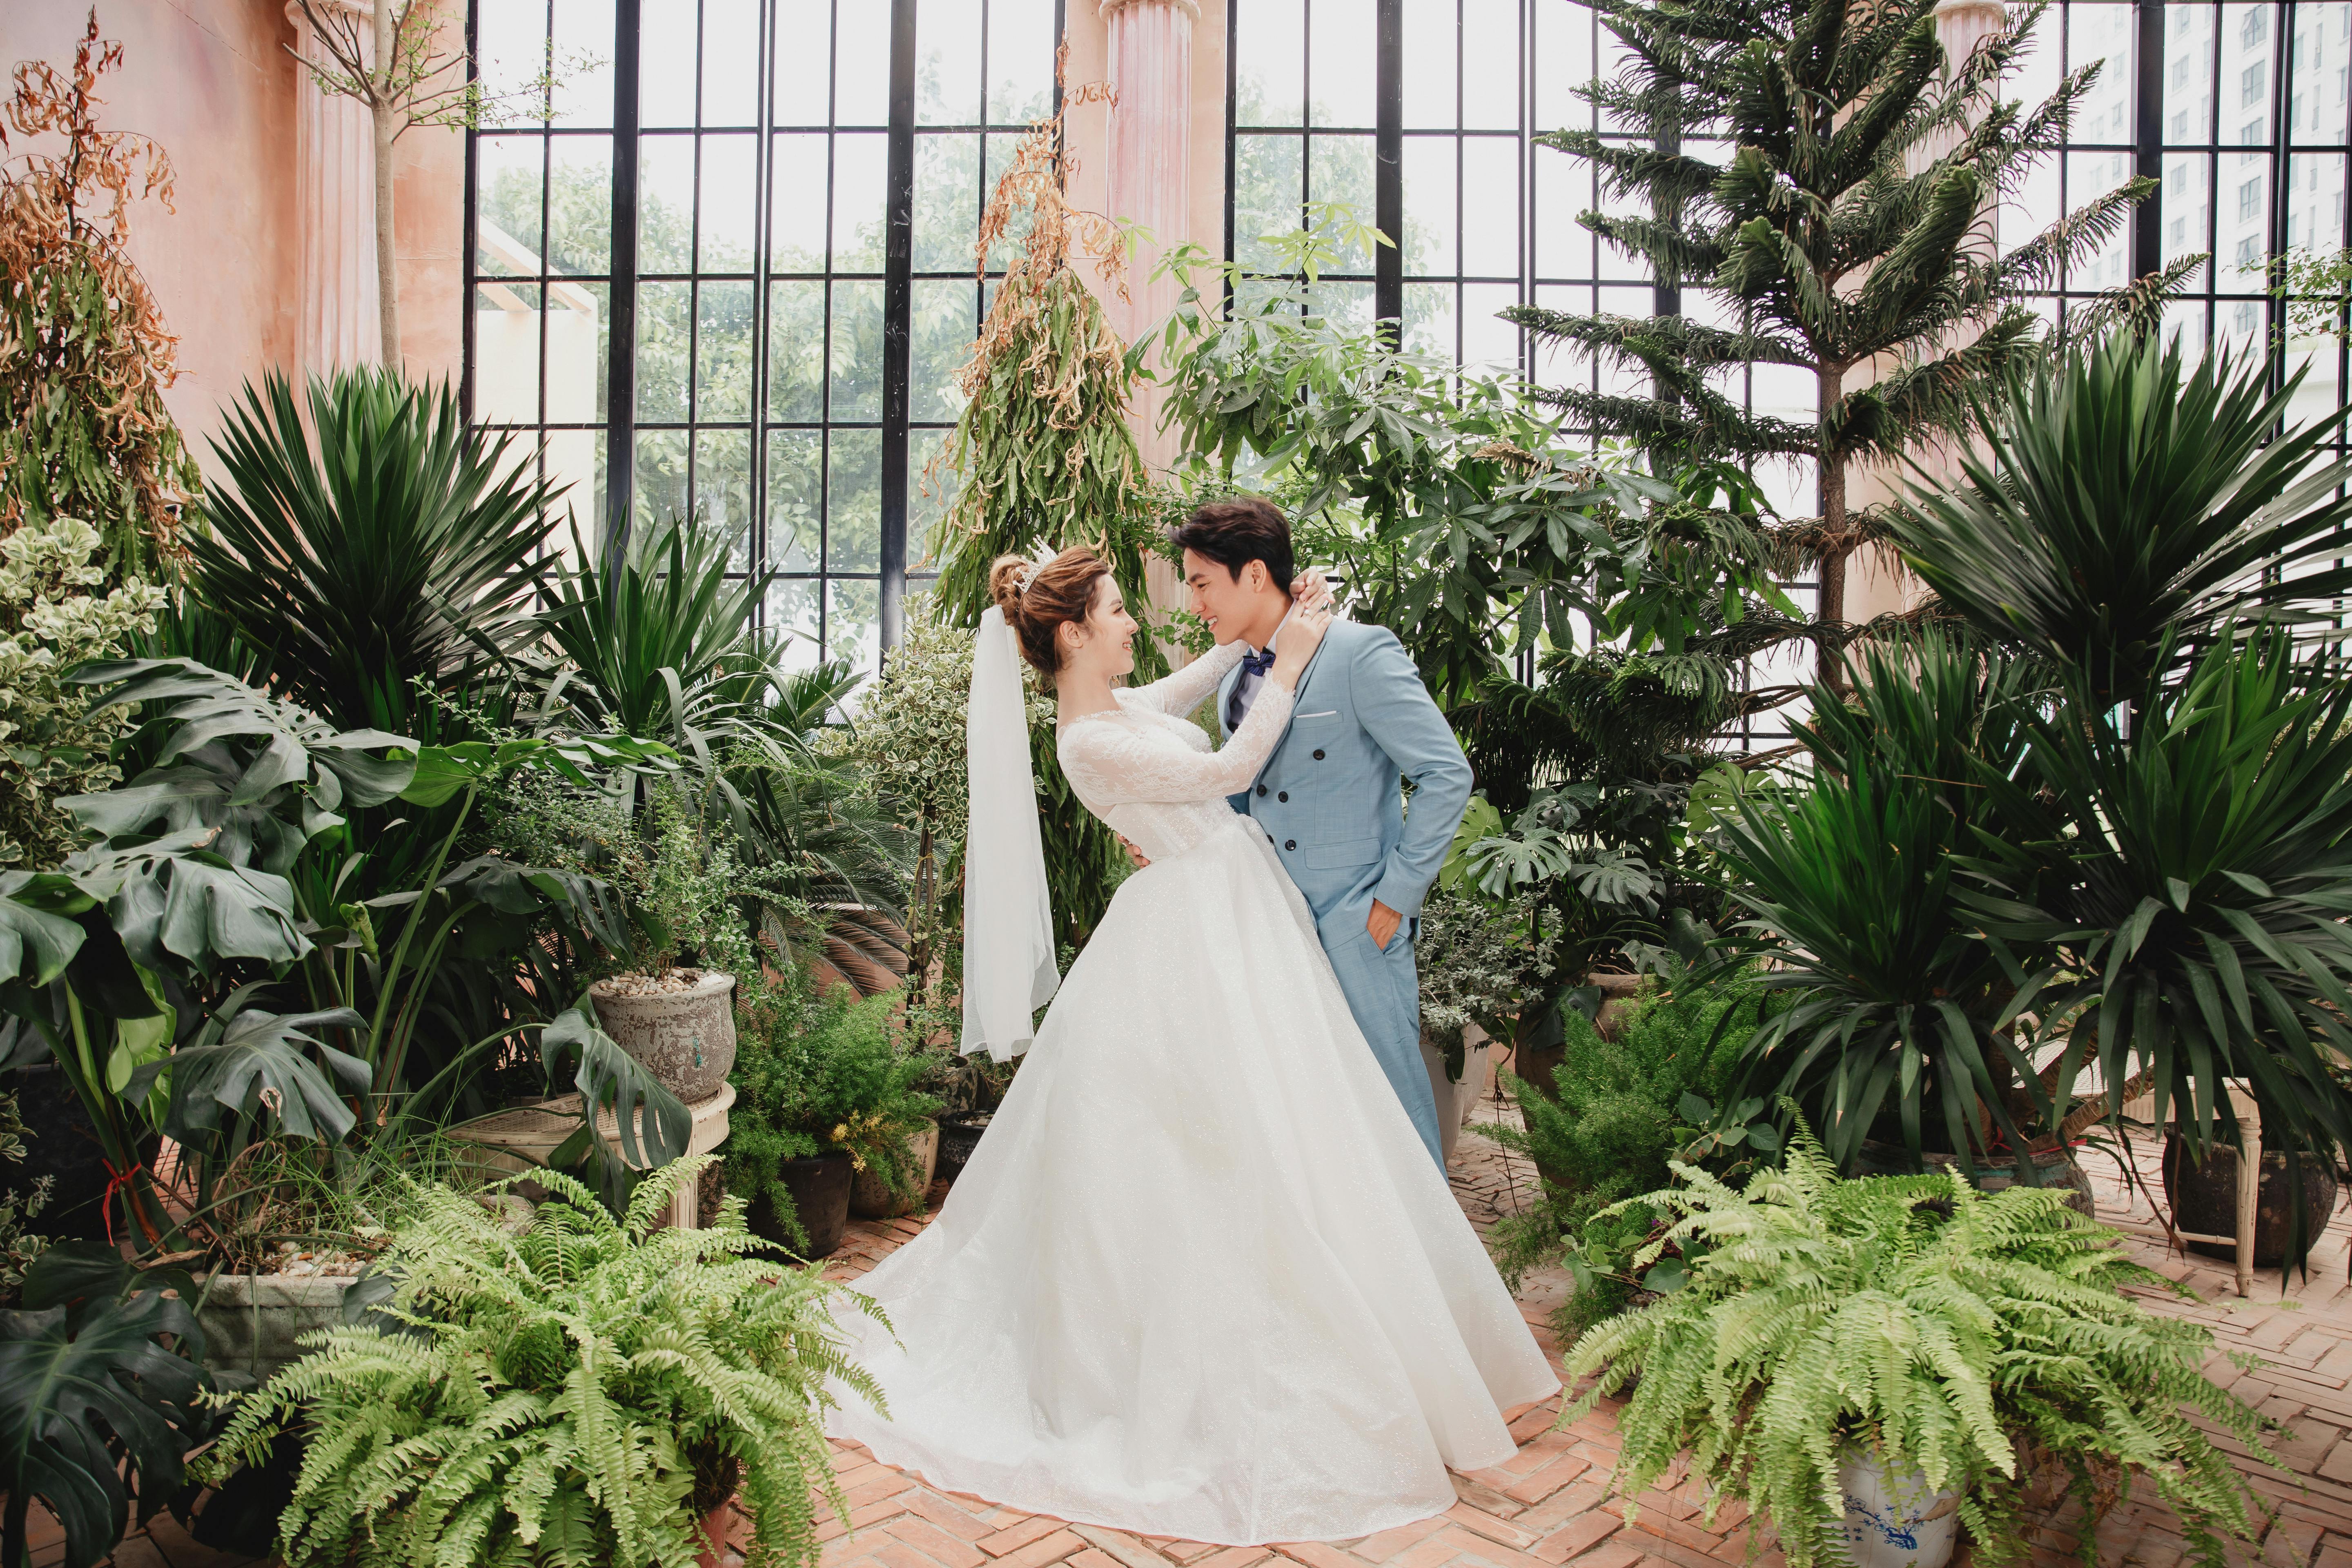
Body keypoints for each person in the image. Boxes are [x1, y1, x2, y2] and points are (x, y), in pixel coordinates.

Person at [822, 546, 1557, 1547]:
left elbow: (1192, 685)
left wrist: (1278, 620)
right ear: (1076, 634)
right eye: (1120, 611)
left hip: (1229, 908)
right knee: (1222, 1135)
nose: (1138, 623)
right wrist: (1291, 663)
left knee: (1291, 1121)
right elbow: (1226, 769)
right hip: (1200, 928)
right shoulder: (1086, 742)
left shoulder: (1113, 711)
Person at [1172, 497, 1474, 1169]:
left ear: (1254, 575)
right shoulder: (1235, 680)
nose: (1196, 605)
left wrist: (1394, 899)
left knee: (1391, 1109)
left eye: (1201, 584)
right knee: (1305, 1119)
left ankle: (1425, 1271)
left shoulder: (1359, 652)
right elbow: (1244, 802)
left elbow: (1446, 773)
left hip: (1353, 922)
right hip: (1274, 928)